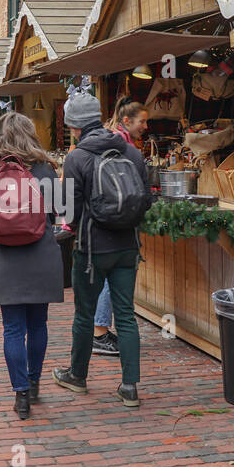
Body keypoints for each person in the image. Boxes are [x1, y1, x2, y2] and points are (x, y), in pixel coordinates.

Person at [51, 89, 150, 407]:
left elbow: (68, 211)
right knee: (125, 316)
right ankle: (130, 387)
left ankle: (77, 376)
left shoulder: (76, 158)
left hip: (92, 250)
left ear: (75, 127)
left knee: (84, 314)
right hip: (128, 248)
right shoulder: (132, 153)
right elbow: (146, 200)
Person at [0, 113, 63, 421]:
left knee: (13, 328)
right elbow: (60, 210)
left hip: (4, 256)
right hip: (41, 252)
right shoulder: (44, 170)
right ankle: (35, 379)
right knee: (38, 324)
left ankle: (21, 394)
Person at [92, 100, 150, 357]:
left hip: (104, 221)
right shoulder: (124, 147)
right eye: (142, 122)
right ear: (127, 121)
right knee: (113, 278)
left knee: (106, 276)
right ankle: (100, 332)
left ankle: (99, 330)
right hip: (119, 222)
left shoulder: (110, 141)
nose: (145, 127)